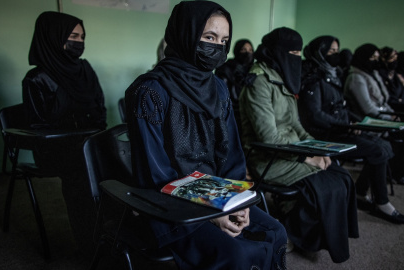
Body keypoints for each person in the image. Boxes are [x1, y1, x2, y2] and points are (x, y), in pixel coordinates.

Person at [125, 2, 287, 269]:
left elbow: (231, 155)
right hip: (169, 203)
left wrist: (235, 201)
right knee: (236, 254)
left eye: (224, 40)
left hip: (217, 194)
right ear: (185, 35)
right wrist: (209, 214)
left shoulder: (218, 88)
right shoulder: (149, 92)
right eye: (209, 37)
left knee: (276, 232)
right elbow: (155, 174)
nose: (218, 48)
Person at [239, 28, 359, 263]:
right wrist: (306, 158)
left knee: (341, 176)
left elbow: (296, 124)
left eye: (298, 52)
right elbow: (268, 138)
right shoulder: (259, 82)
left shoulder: (282, 75)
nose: (296, 57)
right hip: (267, 157)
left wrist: (317, 149)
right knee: (327, 185)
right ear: (277, 52)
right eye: (292, 52)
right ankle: (294, 233)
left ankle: (311, 233)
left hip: (293, 151)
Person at [298, 36, 404, 224]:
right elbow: (315, 115)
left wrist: (359, 123)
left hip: (342, 129)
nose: (336, 55)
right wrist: (347, 126)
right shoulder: (313, 79)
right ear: (319, 54)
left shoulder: (333, 74)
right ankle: (381, 202)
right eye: (331, 51)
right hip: (326, 134)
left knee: (384, 145)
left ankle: (361, 191)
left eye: (336, 51)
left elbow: (343, 108)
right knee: (378, 150)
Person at [22, 11, 107, 254]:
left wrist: (95, 136)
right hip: (56, 147)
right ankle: (92, 244)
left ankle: (122, 231)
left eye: (82, 36)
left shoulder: (84, 69)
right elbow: (39, 126)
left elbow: (99, 109)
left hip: (88, 141)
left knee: (124, 159)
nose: (78, 42)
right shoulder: (37, 79)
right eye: (72, 36)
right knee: (84, 170)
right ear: (52, 37)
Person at [344, 43, 404, 184]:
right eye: (372, 58)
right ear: (363, 58)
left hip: (383, 117)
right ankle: (397, 172)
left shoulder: (372, 74)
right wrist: (392, 119)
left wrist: (396, 116)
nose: (376, 61)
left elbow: (383, 101)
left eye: (377, 57)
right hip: (369, 122)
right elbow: (368, 109)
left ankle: (401, 170)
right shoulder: (356, 78)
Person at [215, 39, 255, 134]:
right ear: (237, 51)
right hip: (232, 116)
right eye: (243, 50)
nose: (247, 53)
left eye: (250, 50)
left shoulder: (254, 71)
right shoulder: (225, 69)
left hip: (250, 115)